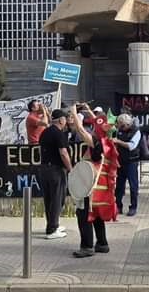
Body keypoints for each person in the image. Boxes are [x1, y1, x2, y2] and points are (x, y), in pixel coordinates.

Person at [69, 109, 119, 258]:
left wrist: (73, 110)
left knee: (83, 215)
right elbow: (100, 123)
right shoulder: (109, 143)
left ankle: (86, 246)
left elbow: (80, 130)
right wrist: (90, 113)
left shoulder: (96, 142)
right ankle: (102, 243)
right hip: (102, 186)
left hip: (90, 185)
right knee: (96, 215)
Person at [39, 109, 72, 239]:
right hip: (56, 169)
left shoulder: (45, 132)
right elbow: (63, 153)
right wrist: (70, 168)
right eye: (65, 119)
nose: (66, 121)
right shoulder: (58, 134)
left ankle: (52, 224)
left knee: (49, 199)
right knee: (57, 198)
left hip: (44, 168)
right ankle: (52, 229)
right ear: (61, 120)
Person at [113, 113, 141, 217]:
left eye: (123, 126)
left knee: (133, 186)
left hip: (132, 162)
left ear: (128, 124)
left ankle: (133, 207)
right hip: (120, 161)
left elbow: (131, 146)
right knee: (119, 186)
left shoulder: (136, 131)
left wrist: (118, 142)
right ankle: (118, 206)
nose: (121, 128)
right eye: (120, 125)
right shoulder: (119, 130)